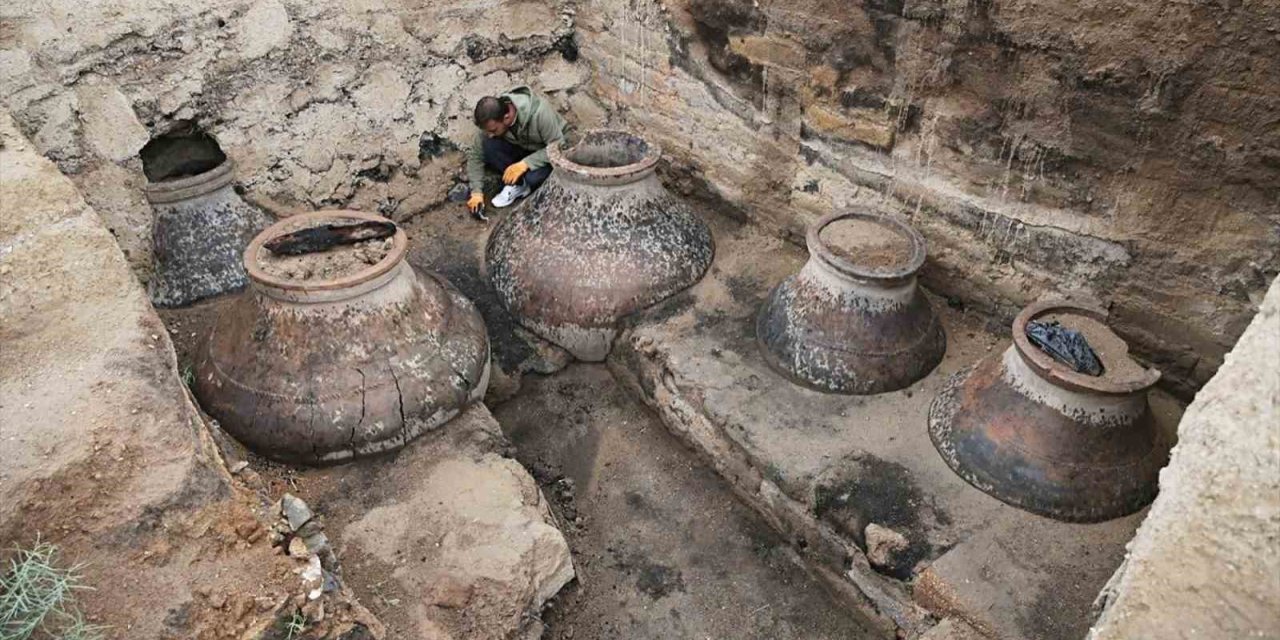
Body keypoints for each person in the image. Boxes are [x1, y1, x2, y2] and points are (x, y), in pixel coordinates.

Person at [465, 85, 571, 218]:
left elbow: (559, 146)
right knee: (488, 143)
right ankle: (517, 184)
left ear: (506, 117)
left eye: (493, 130)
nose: (490, 134)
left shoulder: (540, 113)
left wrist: (525, 164)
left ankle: (526, 184)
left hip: (548, 152)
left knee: (534, 178)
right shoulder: (492, 120)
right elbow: (475, 156)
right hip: (523, 148)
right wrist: (476, 192)